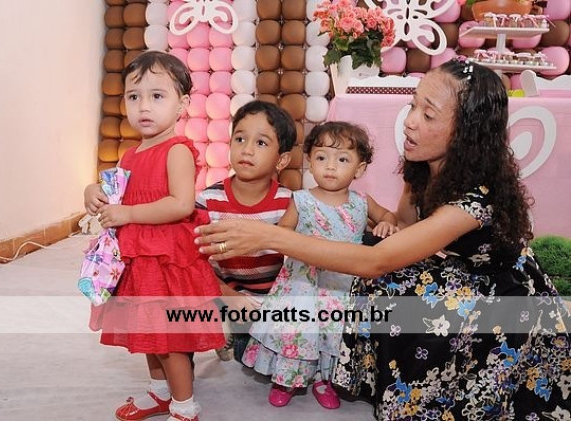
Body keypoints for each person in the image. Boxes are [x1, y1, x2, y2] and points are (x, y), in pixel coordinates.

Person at [195, 58, 570, 420]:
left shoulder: (476, 196)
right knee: (372, 278)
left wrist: (270, 236)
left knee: (379, 276)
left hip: (499, 298)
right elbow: (403, 227)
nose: (410, 121)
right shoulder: (424, 166)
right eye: (413, 105)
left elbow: (375, 261)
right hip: (455, 271)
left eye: (428, 115)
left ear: (466, 132)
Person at [84, 51, 224, 421]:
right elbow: (117, 194)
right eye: (134, 96)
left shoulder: (176, 151)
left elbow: (180, 204)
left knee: (170, 339)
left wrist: (129, 213)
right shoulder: (129, 156)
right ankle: (160, 392)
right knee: (147, 330)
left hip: (166, 261)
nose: (143, 106)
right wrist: (93, 192)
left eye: (157, 96)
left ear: (182, 104)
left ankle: (184, 406)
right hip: (138, 260)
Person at [241, 121, 398, 410]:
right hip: (303, 284)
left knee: (333, 334)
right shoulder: (301, 200)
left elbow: (388, 215)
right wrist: (290, 239)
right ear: (311, 162)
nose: (331, 166)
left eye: (342, 160)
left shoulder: (362, 203)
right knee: (297, 332)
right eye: (322, 157)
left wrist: (386, 222)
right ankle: (287, 379)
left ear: (360, 169)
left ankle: (324, 380)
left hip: (341, 286)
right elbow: (283, 232)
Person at [195, 100, 297, 362]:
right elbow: (193, 262)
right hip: (221, 291)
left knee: (256, 357)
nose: (247, 149)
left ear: (282, 160)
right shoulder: (208, 200)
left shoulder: (290, 203)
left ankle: (241, 333)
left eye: (261, 143)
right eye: (240, 139)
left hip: (270, 299)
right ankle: (222, 325)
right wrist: (227, 296)